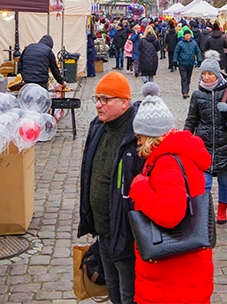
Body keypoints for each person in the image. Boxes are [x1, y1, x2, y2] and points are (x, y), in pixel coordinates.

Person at [129, 83, 214, 304]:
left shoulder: (167, 163)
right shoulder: (180, 154)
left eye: (140, 138)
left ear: (150, 136)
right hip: (186, 273)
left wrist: (140, 187)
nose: (138, 143)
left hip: (171, 279)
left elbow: (170, 213)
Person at [79, 72, 144, 304]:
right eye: (97, 98)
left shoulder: (137, 134)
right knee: (112, 288)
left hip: (125, 231)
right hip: (102, 228)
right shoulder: (97, 126)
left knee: (129, 294)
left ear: (124, 102)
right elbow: (89, 171)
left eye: (106, 99)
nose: (98, 104)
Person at [184, 58, 227, 224]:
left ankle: (222, 209)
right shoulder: (197, 95)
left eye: (210, 74)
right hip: (203, 144)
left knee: (224, 181)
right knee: (205, 182)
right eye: (204, 74)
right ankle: (205, 210)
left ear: (217, 74)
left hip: (225, 144)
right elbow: (191, 119)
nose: (206, 77)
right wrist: (185, 139)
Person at [172, 29, 201, 98]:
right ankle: (184, 92)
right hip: (182, 63)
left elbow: (198, 52)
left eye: (189, 34)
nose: (188, 35)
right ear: (184, 35)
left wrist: (199, 60)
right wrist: (175, 60)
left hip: (190, 63)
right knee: (184, 78)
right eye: (186, 34)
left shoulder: (194, 43)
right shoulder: (180, 44)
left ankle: (187, 90)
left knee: (188, 78)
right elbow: (176, 52)